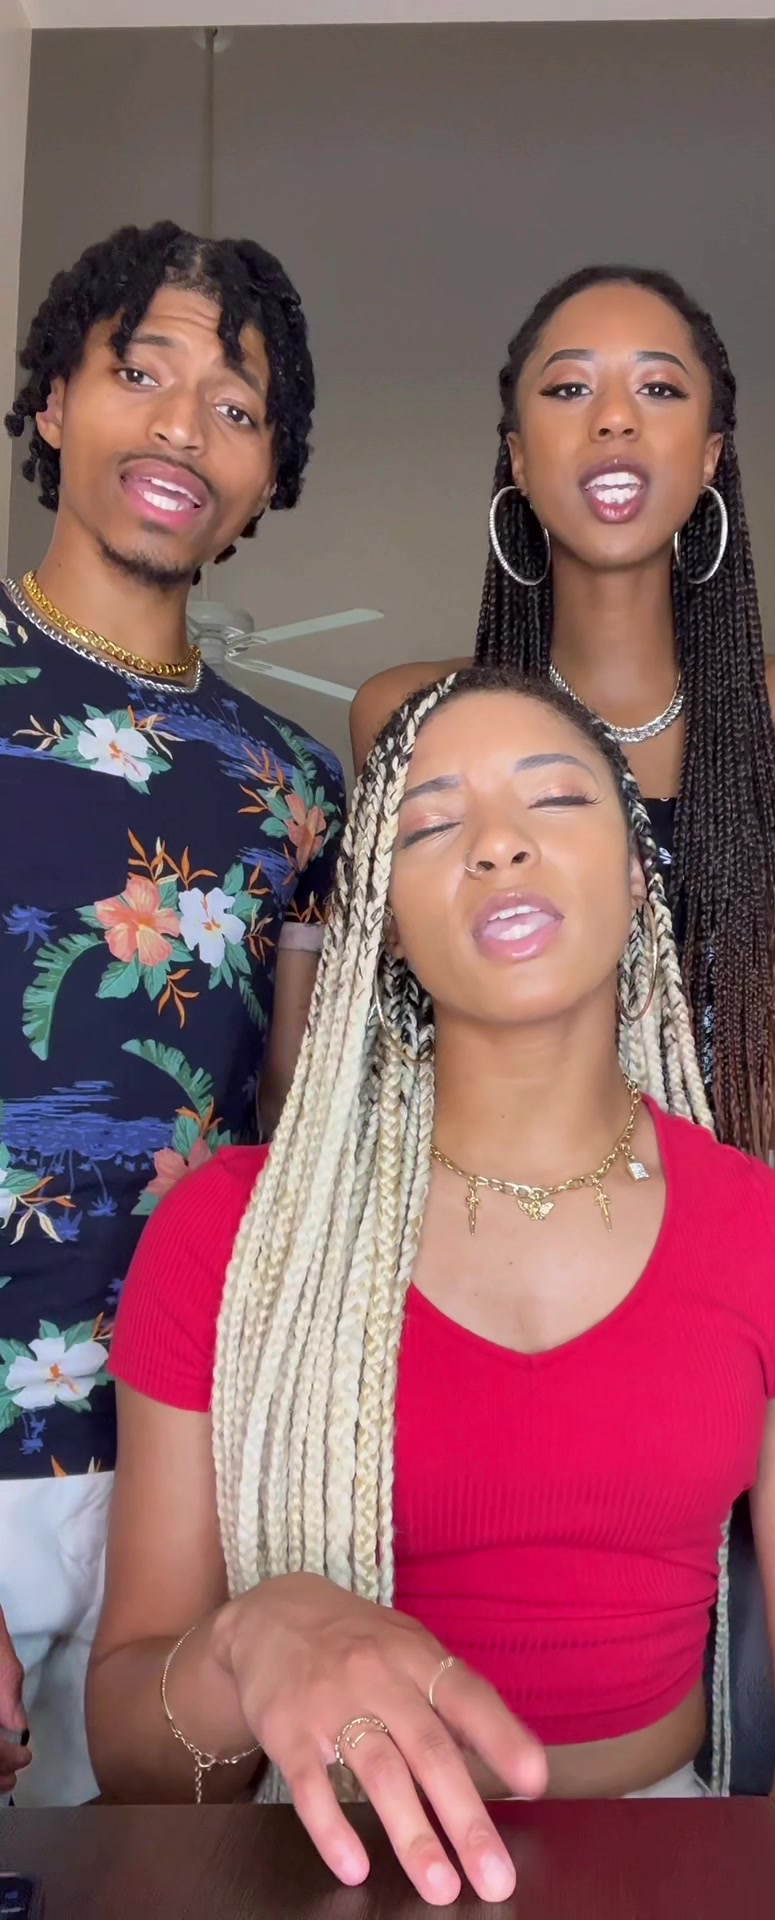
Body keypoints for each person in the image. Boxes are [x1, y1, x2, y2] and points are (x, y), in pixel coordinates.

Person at [93, 670, 775, 1901]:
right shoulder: (229, 1237)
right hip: (322, 1864)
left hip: (668, 1863)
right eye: (430, 824)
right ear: (384, 920)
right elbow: (130, 1758)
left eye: (557, 800)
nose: (497, 843)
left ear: (639, 880)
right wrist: (250, 1640)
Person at [350, 266, 775, 1303]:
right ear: (518, 457)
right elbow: (390, 1055)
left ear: (711, 454)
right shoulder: (409, 720)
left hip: (747, 1271)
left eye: (658, 388)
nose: (613, 419)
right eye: (569, 389)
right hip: (493, 1267)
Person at [0, 221, 345, 1805]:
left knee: (154, 1883)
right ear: (53, 402)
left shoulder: (298, 787)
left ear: (267, 478)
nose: (184, 430)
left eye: (236, 405)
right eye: (142, 374)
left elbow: (303, 1133)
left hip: (191, 1468)